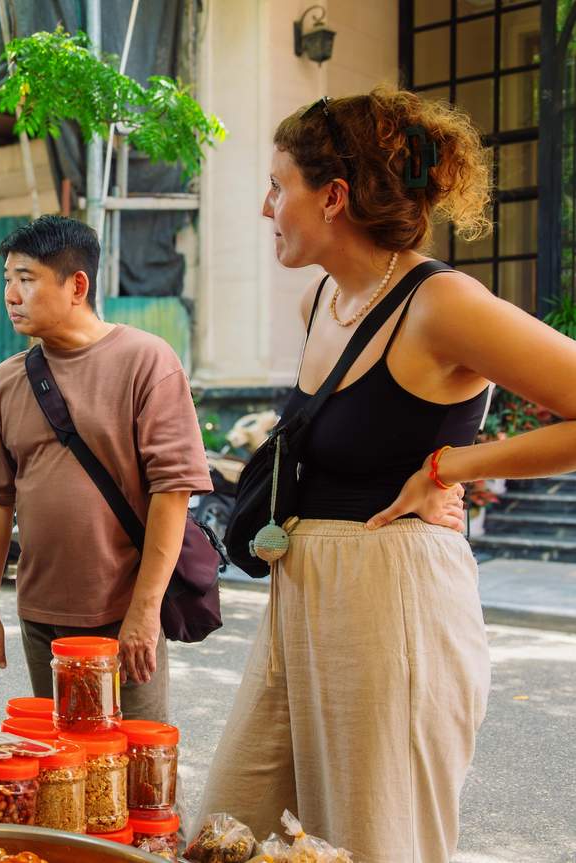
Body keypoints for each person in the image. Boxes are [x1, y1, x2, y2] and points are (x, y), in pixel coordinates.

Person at [197, 87, 576, 863]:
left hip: (393, 599)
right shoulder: (319, 301)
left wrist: (450, 465)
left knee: (373, 843)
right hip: (297, 596)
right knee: (224, 834)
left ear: (332, 196)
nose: (265, 207)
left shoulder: (441, 302)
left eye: (276, 185)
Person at [0, 215, 212, 722]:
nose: (11, 295)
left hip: (122, 614)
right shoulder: (6, 382)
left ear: (77, 285)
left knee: (136, 757)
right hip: (40, 617)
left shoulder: (146, 360)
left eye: (26, 279)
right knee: (61, 757)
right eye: (7, 279)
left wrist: (145, 611)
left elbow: (173, 490)